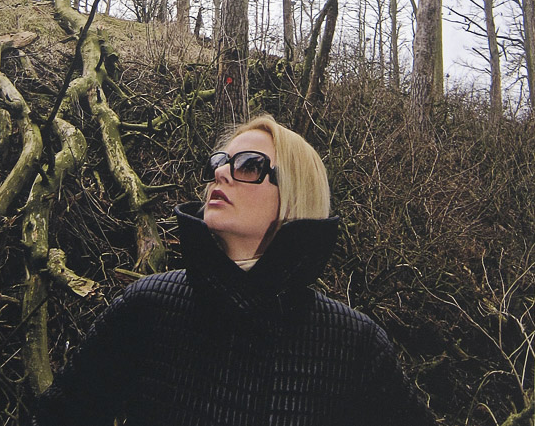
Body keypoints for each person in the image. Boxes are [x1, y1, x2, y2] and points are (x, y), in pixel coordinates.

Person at [32, 115, 436, 426]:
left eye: (248, 164)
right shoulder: (148, 306)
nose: (221, 172)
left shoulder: (355, 344)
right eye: (221, 162)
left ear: (295, 193)